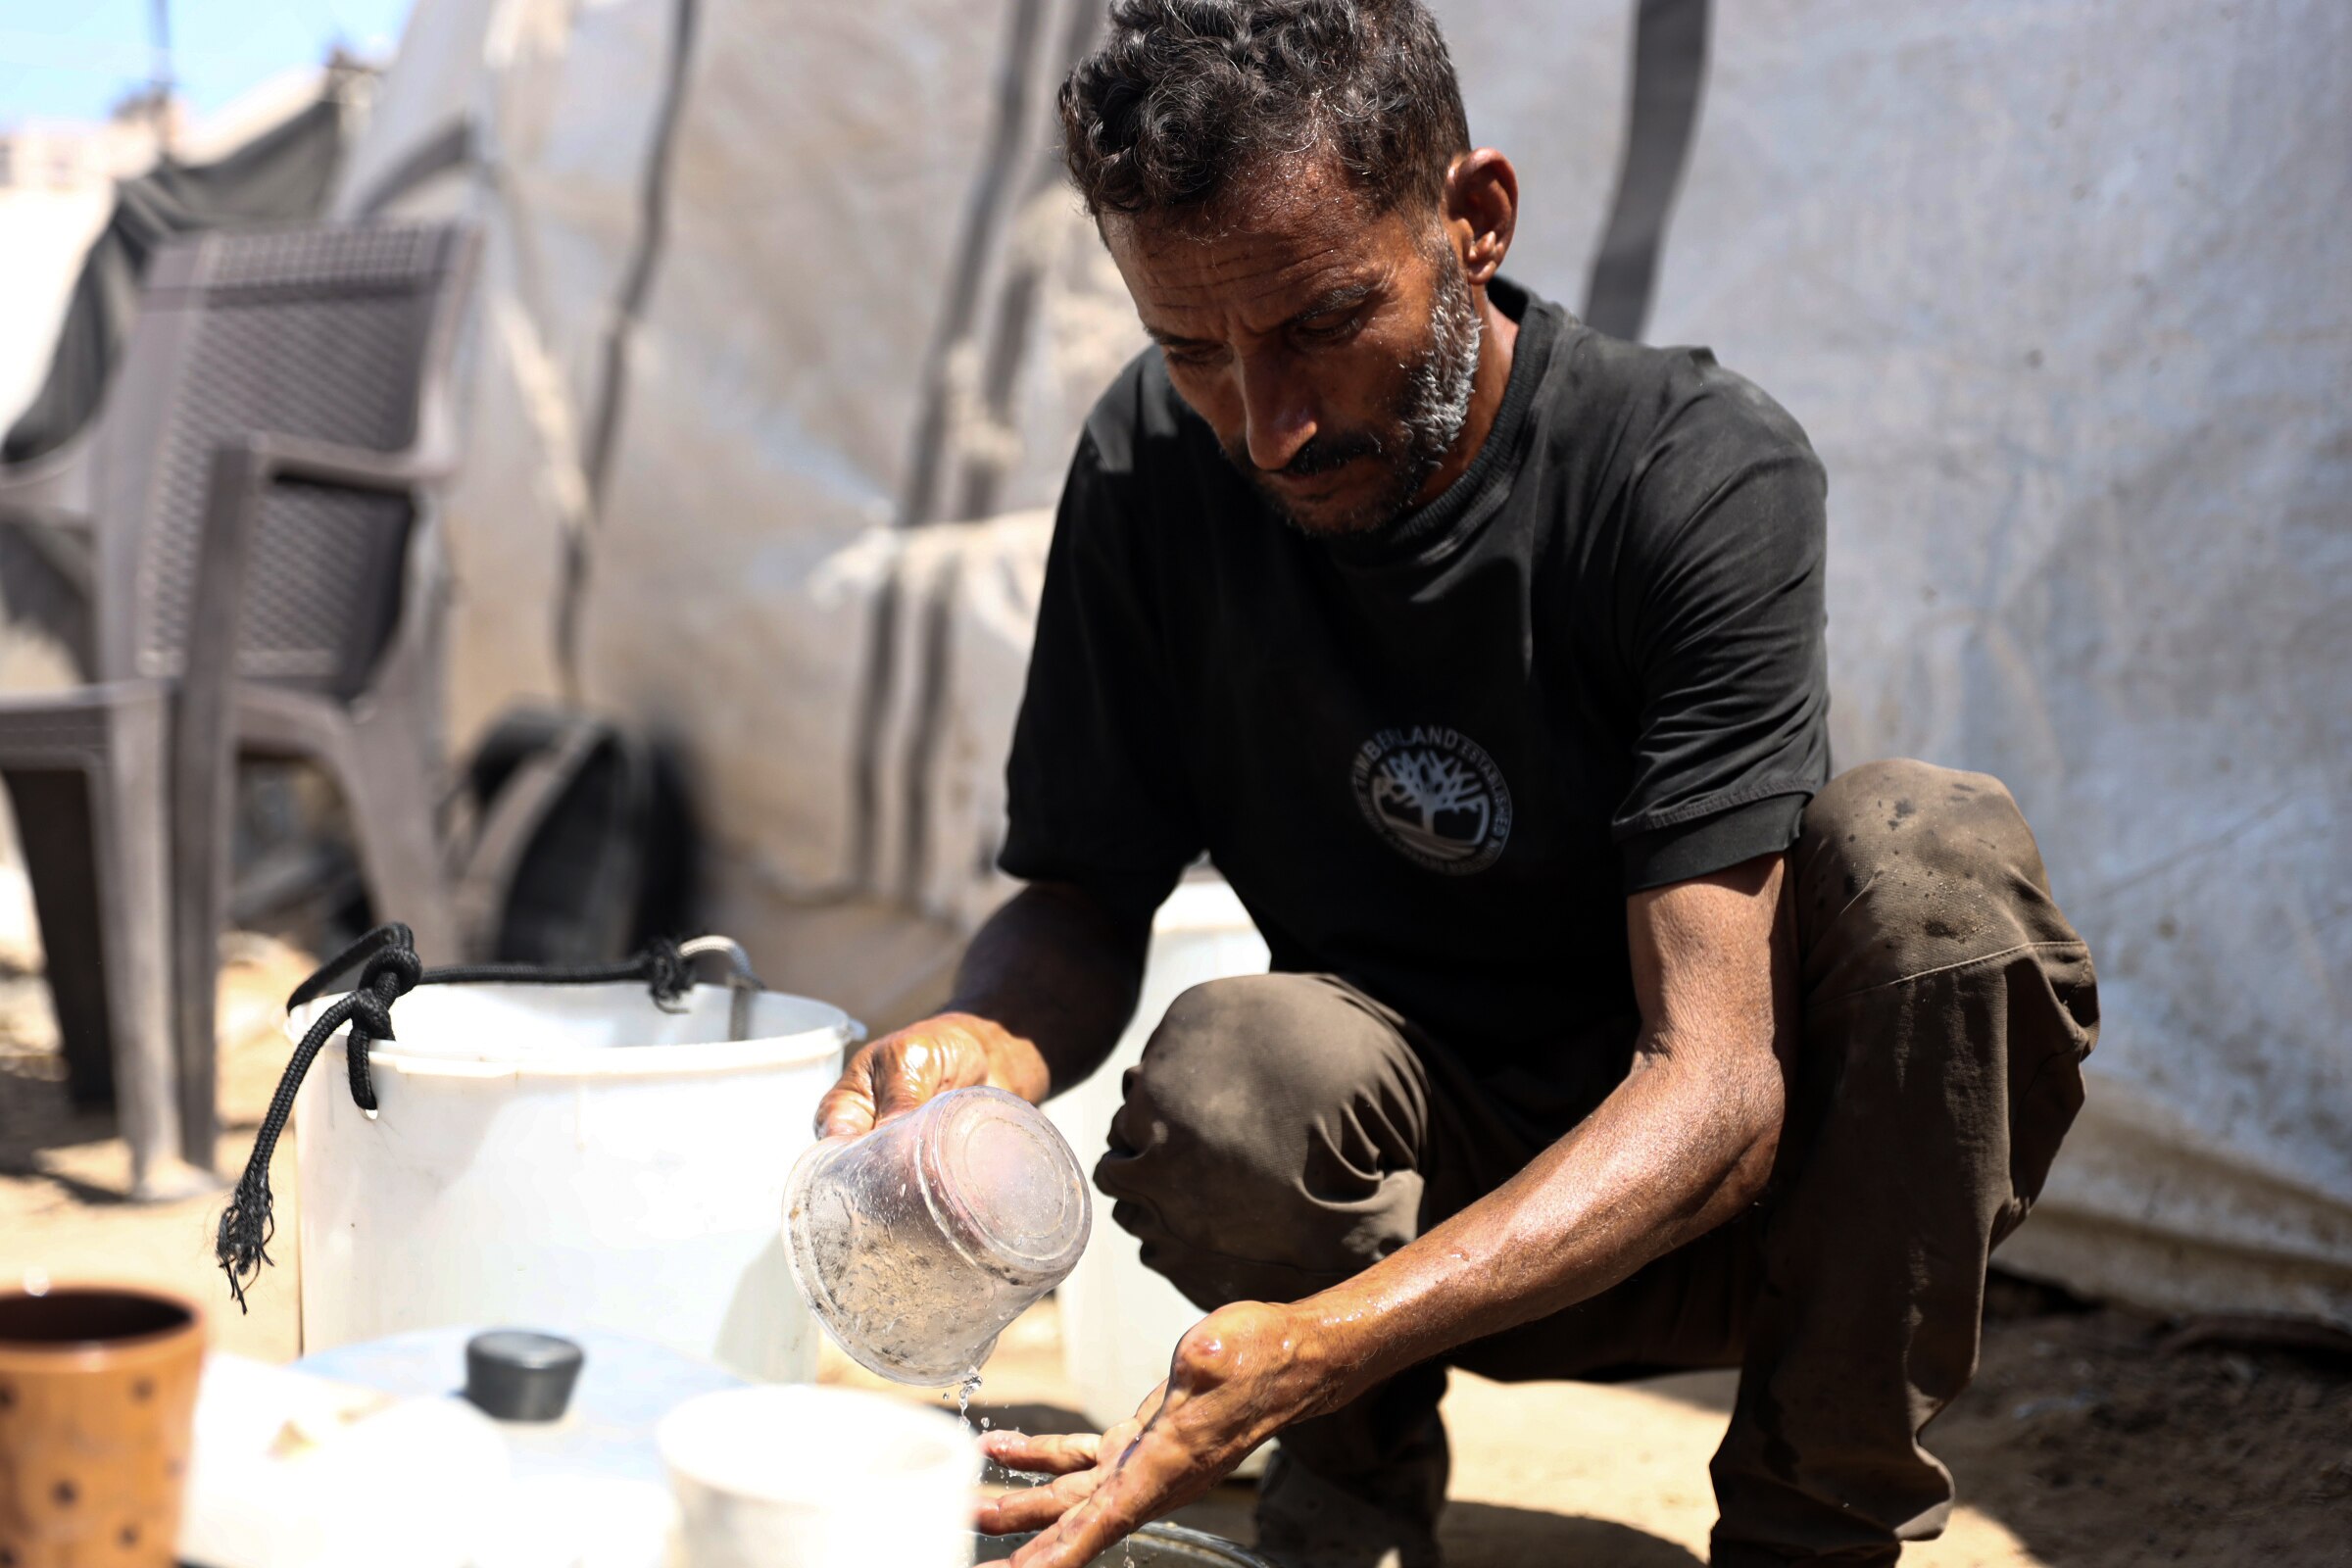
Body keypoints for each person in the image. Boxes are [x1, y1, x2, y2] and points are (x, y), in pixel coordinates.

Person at [813, 3, 2099, 1564]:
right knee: (1236, 1072)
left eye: (1317, 323)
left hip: (1745, 1212)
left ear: (1475, 220)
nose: (1267, 424)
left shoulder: (1693, 474)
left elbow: (1719, 1090)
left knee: (1931, 862)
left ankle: (1809, 1525)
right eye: (1193, 351)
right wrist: (986, 1043)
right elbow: (1084, 888)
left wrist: (1331, 1331)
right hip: (1413, 1189)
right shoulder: (1155, 468)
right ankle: (1345, 1491)